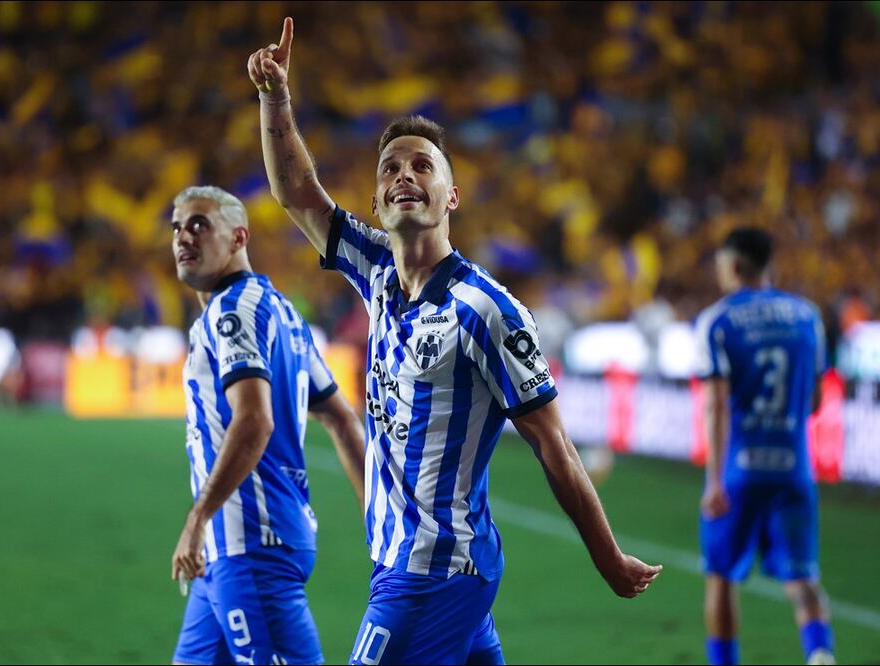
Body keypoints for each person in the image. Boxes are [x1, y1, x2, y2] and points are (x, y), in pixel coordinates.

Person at [248, 18, 662, 665]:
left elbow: (552, 443)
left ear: (452, 197)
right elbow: (297, 195)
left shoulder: (489, 310)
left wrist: (605, 557)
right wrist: (275, 96)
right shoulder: (375, 268)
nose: (404, 174)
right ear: (379, 197)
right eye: (391, 167)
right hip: (411, 560)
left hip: (432, 572)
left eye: (422, 165)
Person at [168, 185, 366, 665]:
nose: (183, 238)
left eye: (199, 225)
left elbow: (254, 421)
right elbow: (340, 419)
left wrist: (197, 517)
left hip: (251, 543)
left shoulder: (233, 309)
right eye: (176, 227)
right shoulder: (280, 311)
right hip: (238, 547)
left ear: (238, 238)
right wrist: (377, 518)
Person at [695, 228, 835, 665]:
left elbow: (717, 406)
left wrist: (714, 481)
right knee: (803, 577)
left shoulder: (717, 320)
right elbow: (814, 400)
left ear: (733, 266)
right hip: (794, 468)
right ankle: (821, 657)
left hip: (740, 470)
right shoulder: (807, 315)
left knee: (721, 577)